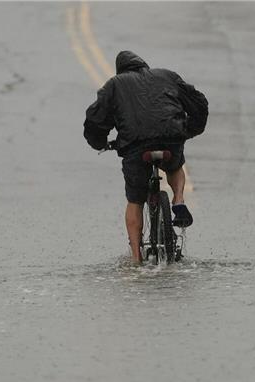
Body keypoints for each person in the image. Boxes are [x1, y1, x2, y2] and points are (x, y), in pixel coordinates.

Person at [83, 51, 208, 263]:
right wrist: (189, 130)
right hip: (171, 138)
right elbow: (199, 103)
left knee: (135, 199)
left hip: (136, 147)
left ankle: (136, 258)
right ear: (144, 65)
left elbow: (95, 119)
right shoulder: (167, 76)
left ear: (121, 71)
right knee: (175, 166)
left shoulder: (114, 85)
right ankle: (178, 198)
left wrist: (101, 143)